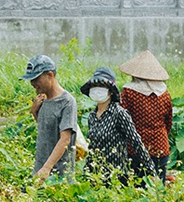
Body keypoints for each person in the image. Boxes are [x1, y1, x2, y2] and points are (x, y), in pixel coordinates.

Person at [81, 66, 154, 183]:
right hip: (95, 176)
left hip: (116, 177)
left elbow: (136, 142)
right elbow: (92, 148)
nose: (97, 90)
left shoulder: (119, 114)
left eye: (102, 86)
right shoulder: (92, 116)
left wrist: (151, 172)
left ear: (110, 91)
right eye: (94, 86)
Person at [117, 49, 174, 180]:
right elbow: (168, 122)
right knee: (157, 186)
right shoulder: (164, 94)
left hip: (135, 148)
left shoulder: (129, 92)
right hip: (161, 146)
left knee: (137, 185)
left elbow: (121, 119)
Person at [23, 54, 77, 182]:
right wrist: (35, 113)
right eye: (31, 80)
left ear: (50, 75)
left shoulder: (67, 102)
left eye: (36, 79)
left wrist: (47, 168)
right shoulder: (42, 99)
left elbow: (65, 139)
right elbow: (47, 130)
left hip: (59, 174)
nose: (33, 84)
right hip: (40, 169)